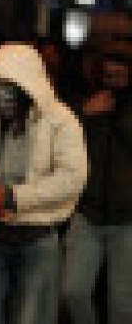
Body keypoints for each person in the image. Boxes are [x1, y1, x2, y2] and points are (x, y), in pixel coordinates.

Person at [0, 43, 87, 324]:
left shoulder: (61, 119)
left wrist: (16, 196)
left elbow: (72, 176)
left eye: (9, 87)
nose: (1, 95)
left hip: (37, 239)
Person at [62, 46, 132, 324]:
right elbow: (61, 137)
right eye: (108, 76)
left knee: (122, 305)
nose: (113, 83)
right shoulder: (85, 102)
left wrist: (120, 114)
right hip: (86, 214)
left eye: (120, 77)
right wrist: (85, 112)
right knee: (72, 292)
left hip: (127, 219)